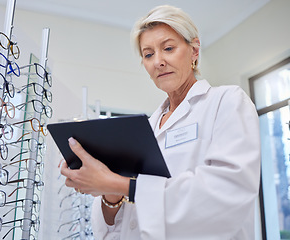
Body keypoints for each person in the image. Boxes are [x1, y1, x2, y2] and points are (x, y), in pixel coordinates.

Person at [60, 5, 260, 240]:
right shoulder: (149, 126)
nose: (158, 62)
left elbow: (227, 194)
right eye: (148, 54)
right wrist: (109, 194)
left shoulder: (226, 102)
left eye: (168, 48)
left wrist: (122, 185)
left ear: (194, 50)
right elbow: (119, 228)